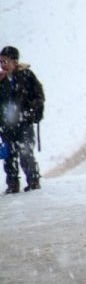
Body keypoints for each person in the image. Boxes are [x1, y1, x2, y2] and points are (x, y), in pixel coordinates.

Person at [0, 46, 45, 194]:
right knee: (9, 155)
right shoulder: (2, 80)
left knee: (25, 152)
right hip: (6, 125)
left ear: (14, 61)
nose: (2, 64)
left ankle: (33, 181)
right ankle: (13, 185)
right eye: (0, 61)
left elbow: (39, 96)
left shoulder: (26, 75)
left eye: (5, 61)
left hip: (23, 123)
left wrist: (29, 112)